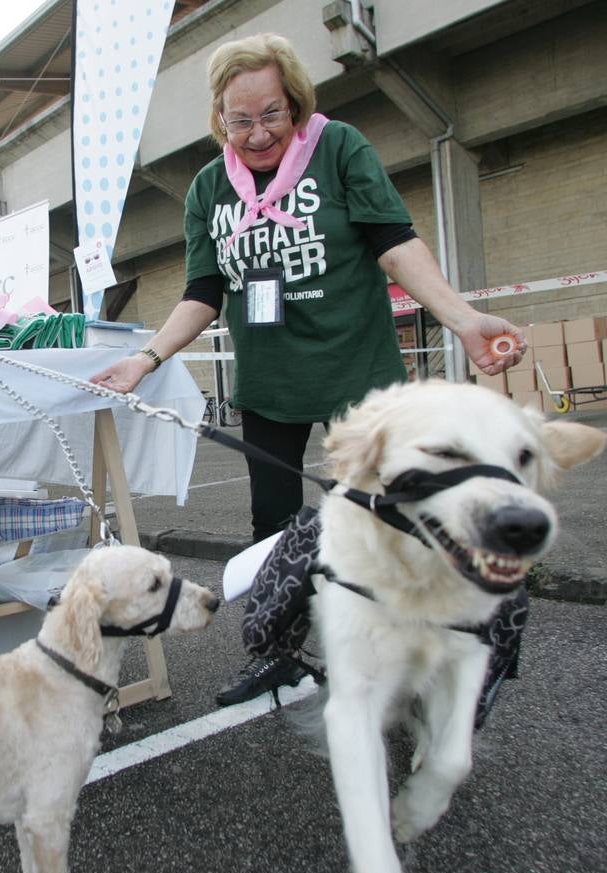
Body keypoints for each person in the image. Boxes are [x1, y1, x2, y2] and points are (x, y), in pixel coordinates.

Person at [91, 32, 527, 707]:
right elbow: (204, 292)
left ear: (295, 105)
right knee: (273, 530)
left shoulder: (339, 149)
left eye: (272, 113)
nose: (258, 132)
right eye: (241, 119)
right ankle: (278, 652)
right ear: (219, 118)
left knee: (395, 516)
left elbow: (395, 245)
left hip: (361, 374)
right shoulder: (209, 189)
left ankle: (412, 660)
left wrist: (463, 319)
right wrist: (147, 358)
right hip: (271, 385)